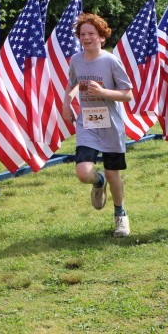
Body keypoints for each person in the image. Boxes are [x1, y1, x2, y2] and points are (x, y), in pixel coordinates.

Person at [62, 13, 135, 237]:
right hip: (87, 124)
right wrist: (67, 103)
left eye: (91, 33)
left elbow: (127, 94)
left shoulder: (110, 61)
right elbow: (73, 83)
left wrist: (103, 92)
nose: (86, 38)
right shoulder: (76, 60)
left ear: (102, 37)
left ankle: (120, 216)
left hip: (111, 126)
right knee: (83, 173)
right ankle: (98, 180)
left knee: (114, 175)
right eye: (82, 34)